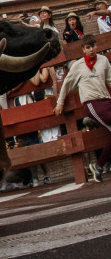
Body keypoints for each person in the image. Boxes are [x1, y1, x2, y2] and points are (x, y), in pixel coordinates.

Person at [54, 35, 111, 182]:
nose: (91, 50)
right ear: (83, 49)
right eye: (88, 47)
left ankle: (98, 167)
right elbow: (67, 83)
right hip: (93, 104)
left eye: (93, 46)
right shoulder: (78, 65)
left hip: (107, 101)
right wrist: (60, 103)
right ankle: (98, 166)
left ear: (96, 46)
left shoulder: (103, 60)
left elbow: (110, 80)